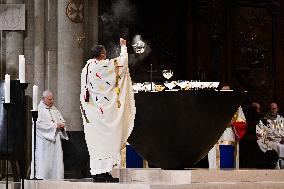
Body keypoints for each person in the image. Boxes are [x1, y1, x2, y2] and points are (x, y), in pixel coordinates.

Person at [80, 38, 135, 182]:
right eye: (105, 54)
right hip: (104, 114)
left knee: (96, 143)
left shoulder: (85, 69)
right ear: (102, 55)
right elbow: (121, 64)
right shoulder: (101, 66)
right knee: (107, 141)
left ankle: (101, 173)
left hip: (92, 115)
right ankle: (103, 173)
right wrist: (123, 47)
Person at [30, 90, 69, 179]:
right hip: (44, 141)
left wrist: (62, 127)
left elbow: (61, 121)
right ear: (44, 99)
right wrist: (55, 126)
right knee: (45, 162)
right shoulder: (38, 109)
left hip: (56, 141)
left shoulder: (55, 109)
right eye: (49, 99)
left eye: (53, 99)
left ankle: (57, 179)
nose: (52, 101)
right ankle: (42, 179)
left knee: (56, 162)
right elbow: (38, 125)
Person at [208, 85, 247, 168]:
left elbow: (242, 122)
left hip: (229, 133)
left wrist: (233, 123)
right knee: (215, 158)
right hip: (215, 134)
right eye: (223, 92)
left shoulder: (236, 106)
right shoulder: (213, 104)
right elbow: (207, 119)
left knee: (228, 156)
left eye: (228, 92)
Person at [256, 102, 284, 169]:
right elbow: (259, 132)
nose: (272, 110)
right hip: (270, 140)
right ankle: (276, 163)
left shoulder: (282, 119)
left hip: (281, 140)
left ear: (277, 109)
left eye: (274, 109)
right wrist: (268, 137)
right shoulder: (264, 120)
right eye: (271, 109)